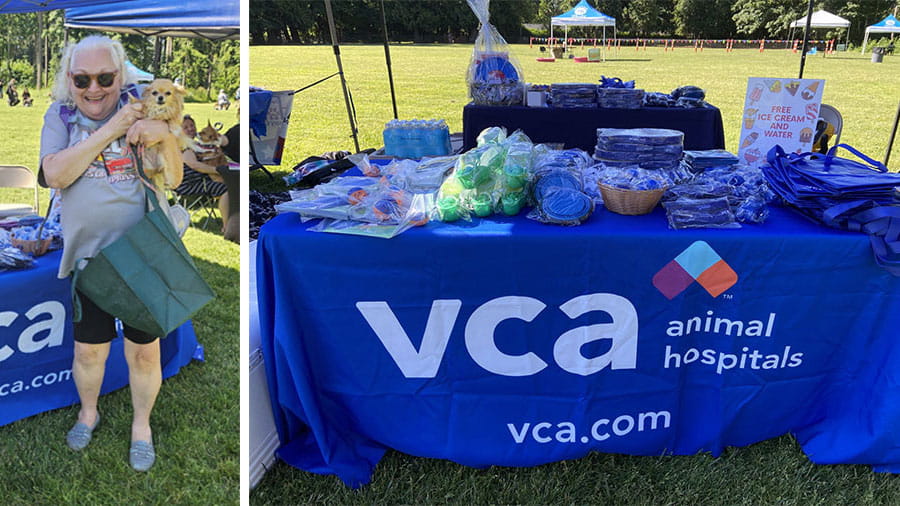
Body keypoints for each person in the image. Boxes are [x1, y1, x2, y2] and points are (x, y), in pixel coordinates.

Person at [39, 35, 181, 472]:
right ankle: (89, 412)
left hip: (144, 257)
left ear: (121, 75)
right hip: (89, 260)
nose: (94, 88)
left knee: (144, 352)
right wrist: (113, 129)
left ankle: (142, 426)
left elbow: (173, 178)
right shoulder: (61, 115)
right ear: (70, 79)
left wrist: (166, 137)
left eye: (105, 77)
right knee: (89, 352)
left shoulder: (148, 105)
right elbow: (56, 173)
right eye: (83, 79)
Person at [175, 114, 230, 232]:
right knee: (226, 190)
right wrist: (220, 171)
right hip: (189, 184)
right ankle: (227, 226)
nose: (190, 128)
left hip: (201, 180)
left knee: (233, 184)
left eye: (192, 125)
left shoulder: (194, 144)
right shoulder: (184, 146)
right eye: (186, 127)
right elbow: (195, 165)